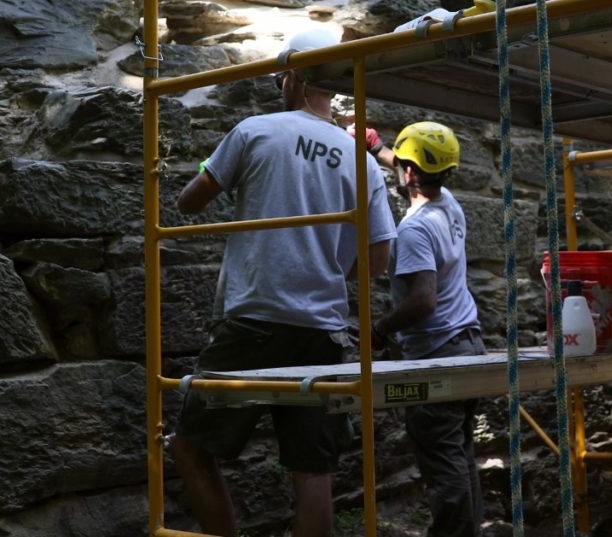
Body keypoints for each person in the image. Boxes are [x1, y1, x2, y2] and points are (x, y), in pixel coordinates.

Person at [170, 28, 397, 537]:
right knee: (312, 472)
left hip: (253, 320)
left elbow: (189, 201)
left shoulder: (255, 131)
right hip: (321, 331)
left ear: (291, 77)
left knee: (191, 446)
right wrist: (326, 261)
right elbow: (378, 260)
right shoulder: (361, 161)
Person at [371, 122, 486, 537]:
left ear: (410, 174)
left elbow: (422, 300)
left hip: (438, 353)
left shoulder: (414, 229)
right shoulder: (449, 203)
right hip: (468, 344)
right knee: (459, 454)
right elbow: (414, 170)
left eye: (402, 164)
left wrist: (380, 331)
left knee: (443, 460)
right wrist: (379, 148)